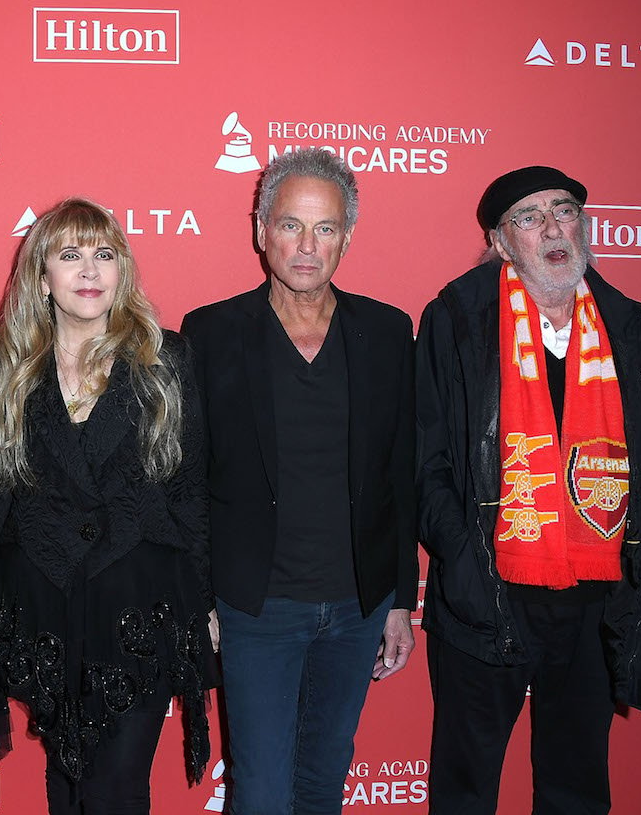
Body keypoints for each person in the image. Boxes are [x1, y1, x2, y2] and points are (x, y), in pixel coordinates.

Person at [417, 165, 641, 814]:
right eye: (529, 217)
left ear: (584, 224)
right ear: (500, 243)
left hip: (597, 604)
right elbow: (425, 460)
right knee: (463, 791)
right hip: (484, 597)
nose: (552, 227)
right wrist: (467, 568)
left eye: (564, 210)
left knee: (575, 791)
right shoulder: (457, 327)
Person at [181, 149, 418, 815]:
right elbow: (189, 483)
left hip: (358, 606)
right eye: (291, 226)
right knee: (259, 791)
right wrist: (201, 598)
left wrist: (399, 598)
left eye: (326, 229)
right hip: (257, 608)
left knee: (321, 783)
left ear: (347, 236)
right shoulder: (211, 332)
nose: (307, 247)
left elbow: (400, 474)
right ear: (261, 230)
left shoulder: (386, 331)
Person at [0, 198, 218, 814]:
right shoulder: (8, 367)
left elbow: (191, 490)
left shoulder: (167, 358)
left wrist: (205, 603)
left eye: (104, 255)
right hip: (45, 601)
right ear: (42, 273)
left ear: (122, 270)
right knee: (68, 780)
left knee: (114, 787)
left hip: (140, 601)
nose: (89, 271)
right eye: (71, 255)